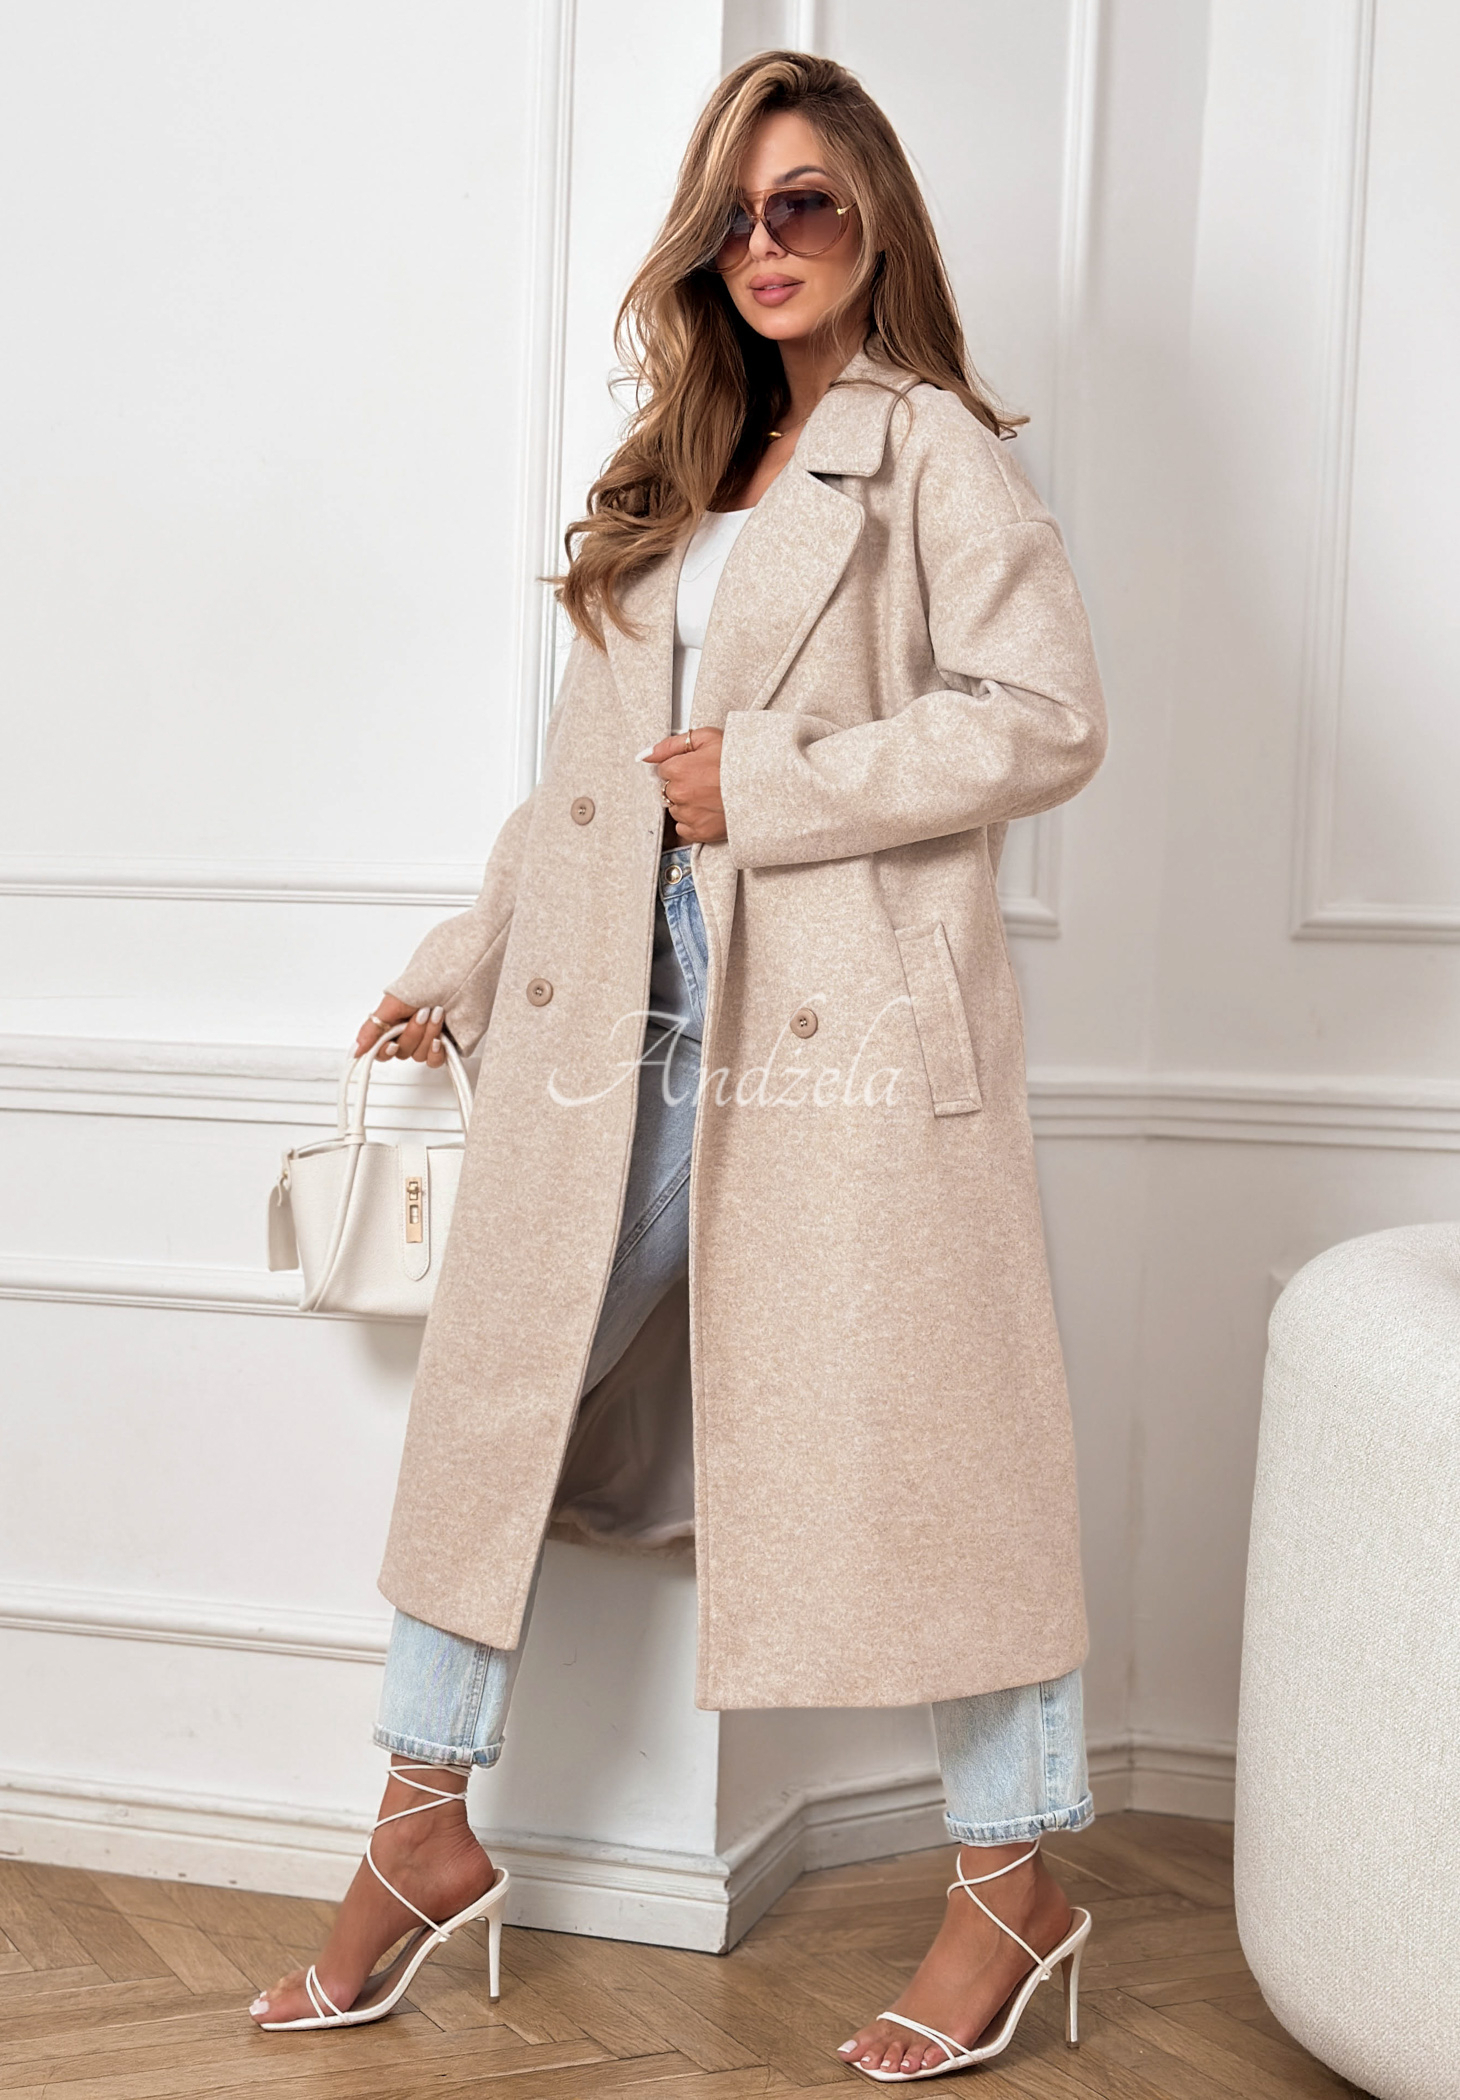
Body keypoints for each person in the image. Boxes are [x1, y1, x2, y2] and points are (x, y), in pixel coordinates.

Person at [249, 49, 1107, 2083]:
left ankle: (1008, 1881)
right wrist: (462, 960)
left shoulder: (929, 454)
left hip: (836, 1024)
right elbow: (581, 785)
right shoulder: (677, 466)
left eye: (803, 203)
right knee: (496, 1392)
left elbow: (1048, 717)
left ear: (873, 219)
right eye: (734, 214)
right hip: (612, 1015)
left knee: (939, 1443)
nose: (766, 244)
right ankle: (419, 1820)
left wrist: (777, 784)